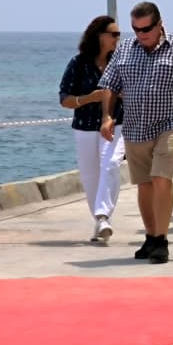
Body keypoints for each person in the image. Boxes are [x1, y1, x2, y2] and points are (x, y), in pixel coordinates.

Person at [99, 1, 173, 265]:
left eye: (146, 29)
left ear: (160, 24)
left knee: (162, 177)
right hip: (135, 126)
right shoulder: (124, 49)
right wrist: (107, 116)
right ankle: (151, 236)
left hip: (170, 124)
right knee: (144, 184)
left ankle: (161, 240)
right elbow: (110, 85)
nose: (141, 34)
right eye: (136, 29)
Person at [58, 15, 125, 243]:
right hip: (85, 127)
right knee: (91, 176)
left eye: (118, 34)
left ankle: (103, 215)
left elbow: (134, 91)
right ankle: (100, 222)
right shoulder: (78, 64)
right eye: (113, 34)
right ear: (99, 36)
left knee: (112, 164)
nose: (117, 38)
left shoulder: (120, 62)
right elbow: (65, 99)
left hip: (116, 123)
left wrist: (118, 95)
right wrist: (89, 98)